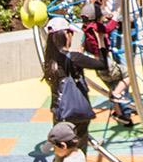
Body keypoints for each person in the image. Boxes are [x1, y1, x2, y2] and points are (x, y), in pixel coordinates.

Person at [43, 17, 109, 148]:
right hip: (75, 112)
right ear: (66, 34)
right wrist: (100, 40)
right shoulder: (74, 57)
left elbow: (69, 52)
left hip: (59, 111)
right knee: (77, 150)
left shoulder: (50, 59)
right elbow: (102, 64)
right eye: (70, 33)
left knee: (61, 151)